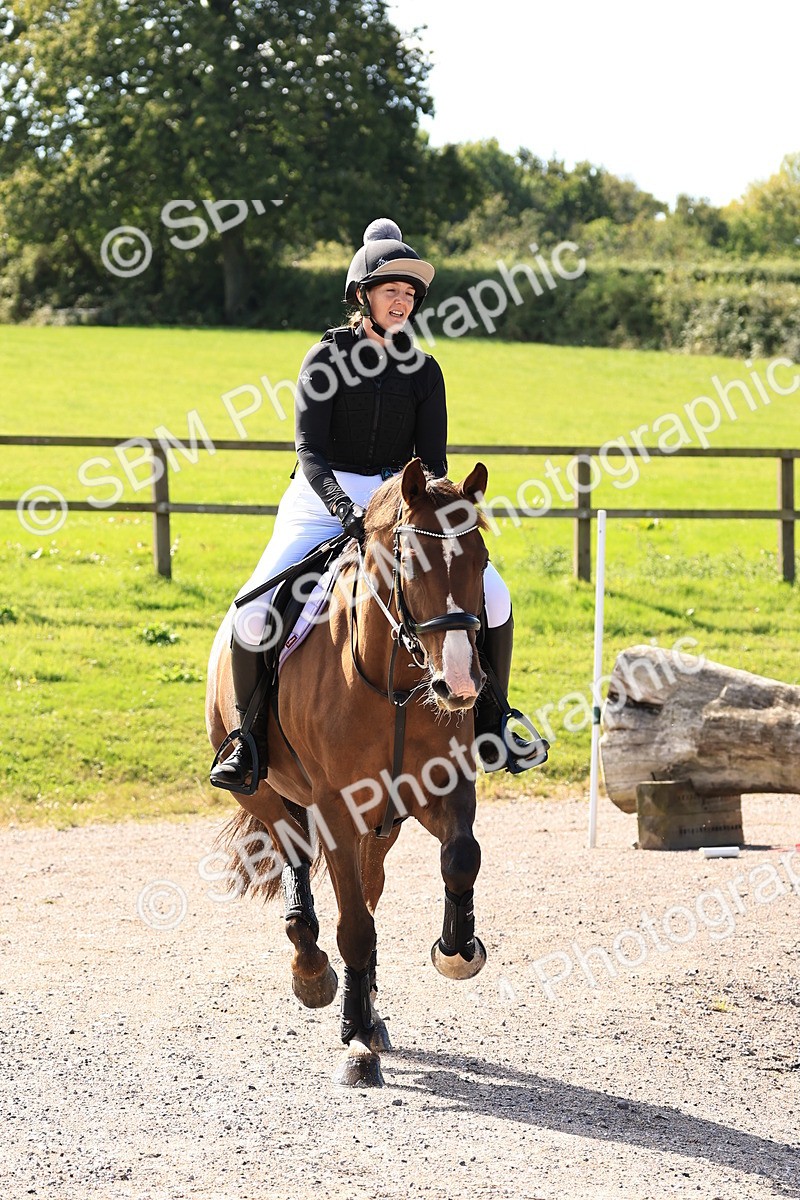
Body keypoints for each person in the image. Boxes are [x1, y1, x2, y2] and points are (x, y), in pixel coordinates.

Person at [210, 218, 541, 792]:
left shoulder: (424, 370)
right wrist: (347, 515)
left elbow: (432, 463)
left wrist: (424, 515)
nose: (402, 301)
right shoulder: (324, 357)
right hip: (320, 500)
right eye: (391, 290)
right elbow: (310, 455)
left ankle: (495, 718)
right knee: (255, 612)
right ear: (363, 295)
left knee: (495, 594)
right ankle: (246, 739)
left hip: (401, 499)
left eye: (410, 293)